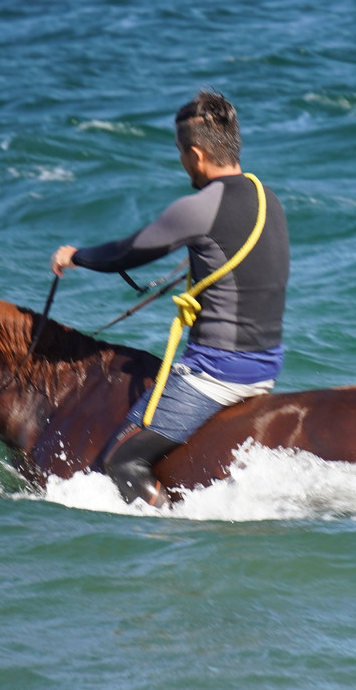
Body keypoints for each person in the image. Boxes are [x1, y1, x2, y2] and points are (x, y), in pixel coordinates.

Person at [51, 90, 289, 507]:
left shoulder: (199, 208)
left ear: (196, 155)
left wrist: (76, 256)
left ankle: (177, 540)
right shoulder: (269, 198)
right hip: (266, 365)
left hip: (219, 374)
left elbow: (127, 252)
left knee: (120, 463)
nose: (182, 161)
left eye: (181, 152)